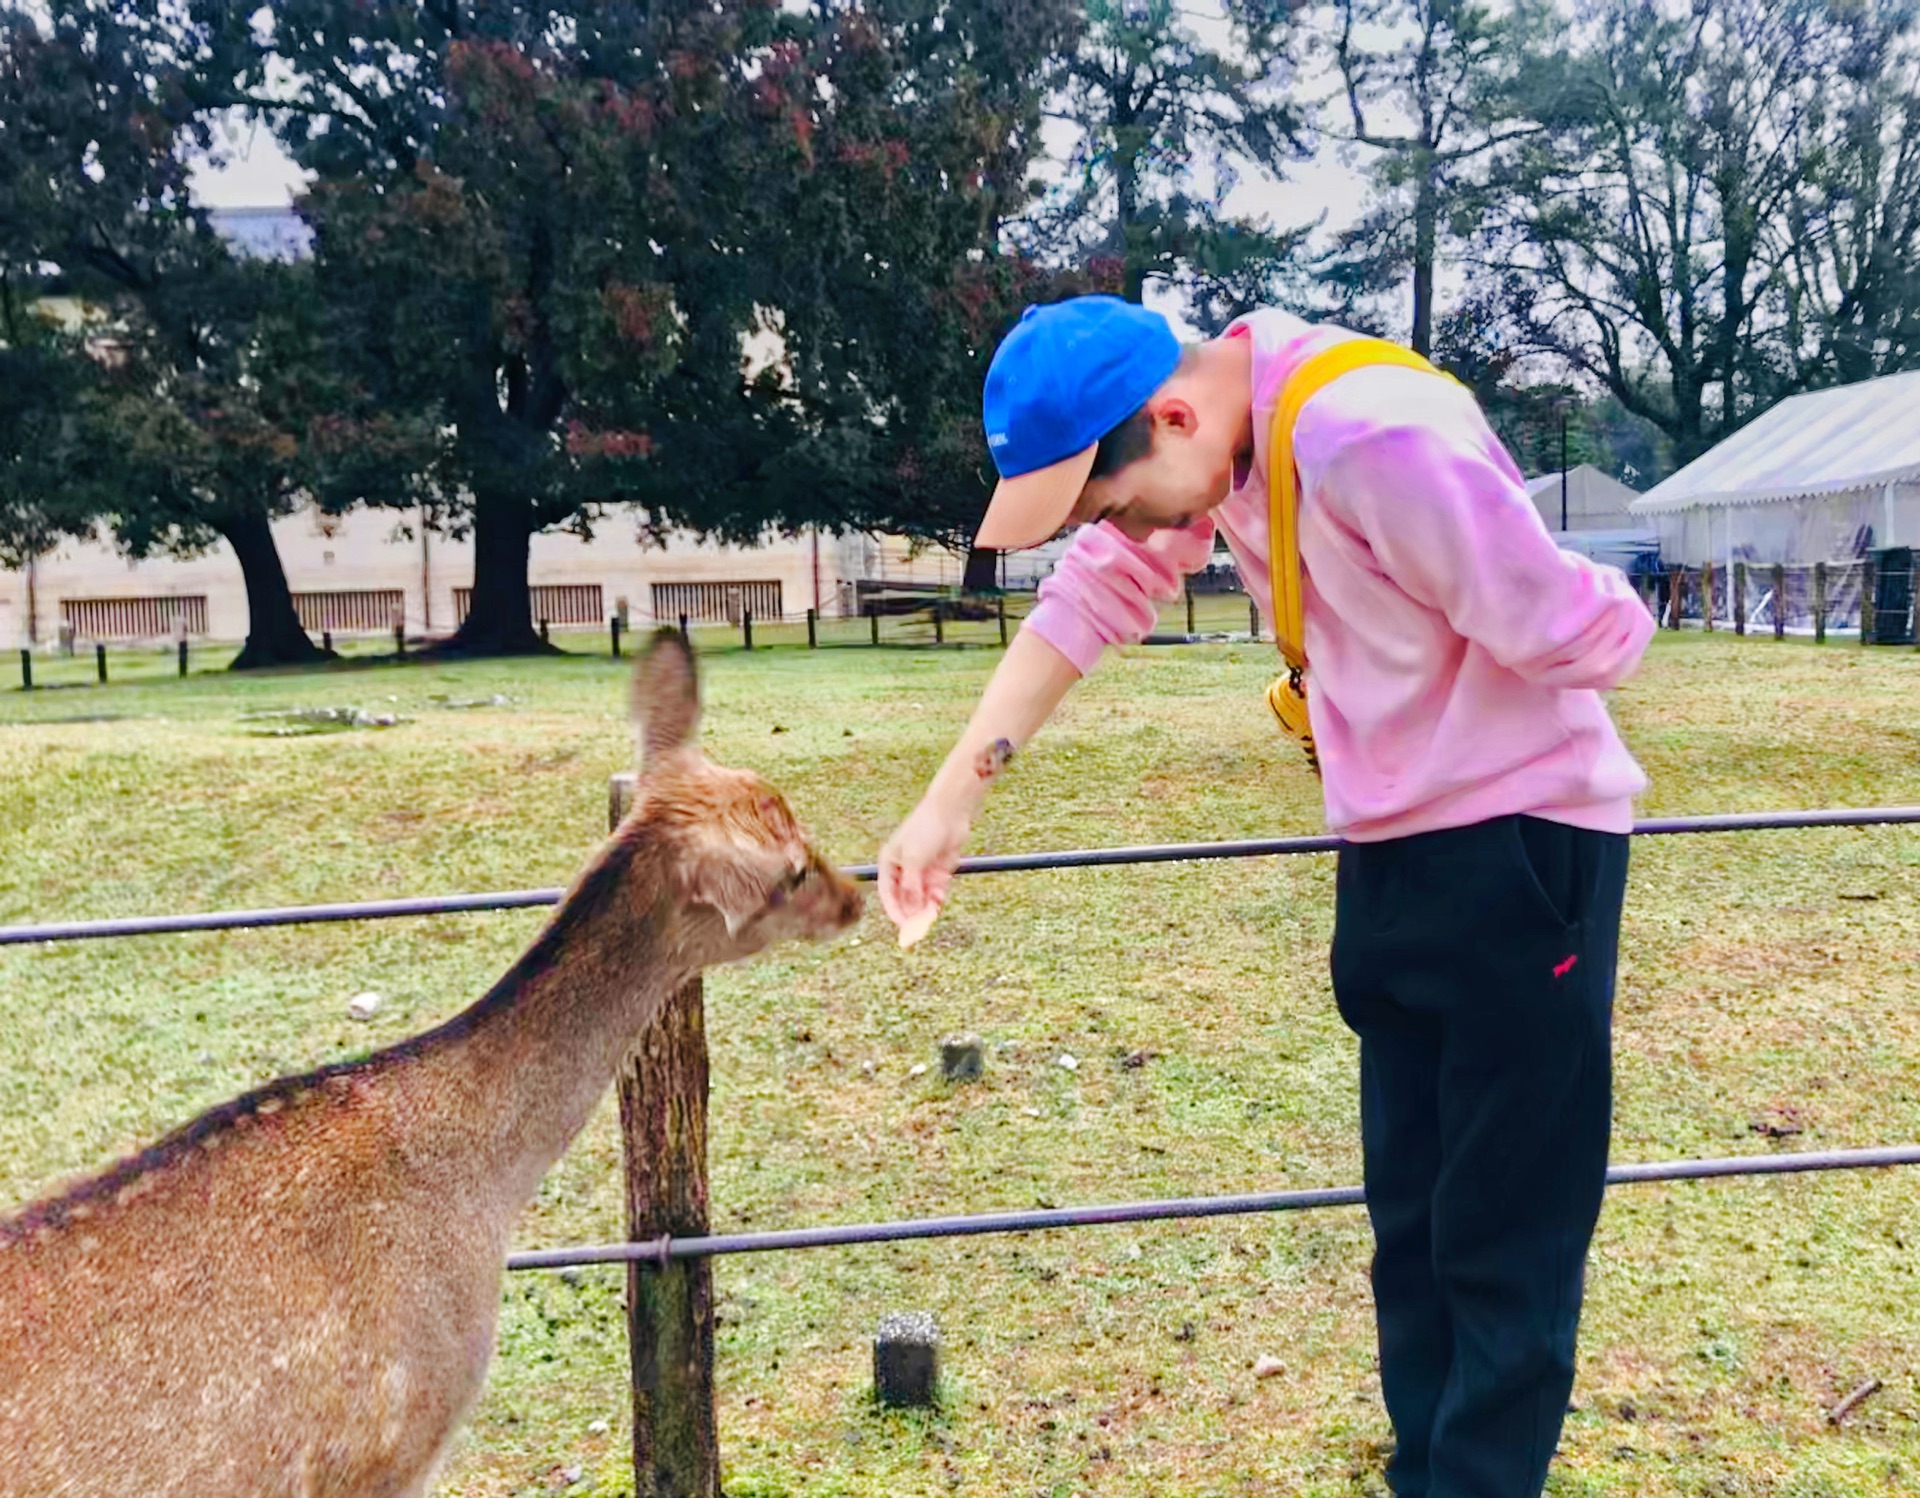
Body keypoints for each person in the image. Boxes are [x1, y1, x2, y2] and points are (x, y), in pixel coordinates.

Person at [876, 295, 1655, 1497]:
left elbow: (1566, 628)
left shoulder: (1369, 433)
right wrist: (952, 798)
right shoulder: (1232, 443)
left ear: (1174, 415)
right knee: (1414, 1231)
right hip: (1389, 851)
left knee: (1506, 1242)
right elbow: (1092, 596)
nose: (1130, 530)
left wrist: (1616, 615)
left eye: (1120, 500)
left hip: (1522, 844)